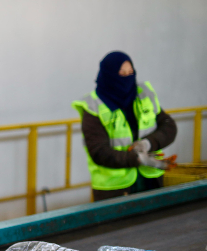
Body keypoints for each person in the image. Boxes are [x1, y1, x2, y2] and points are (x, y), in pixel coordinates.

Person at [72, 51, 177, 201]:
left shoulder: (143, 95)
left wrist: (147, 143)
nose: (127, 78)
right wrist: (138, 159)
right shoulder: (93, 106)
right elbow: (99, 152)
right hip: (114, 190)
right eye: (122, 74)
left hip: (151, 181)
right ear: (108, 76)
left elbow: (168, 126)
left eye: (131, 72)